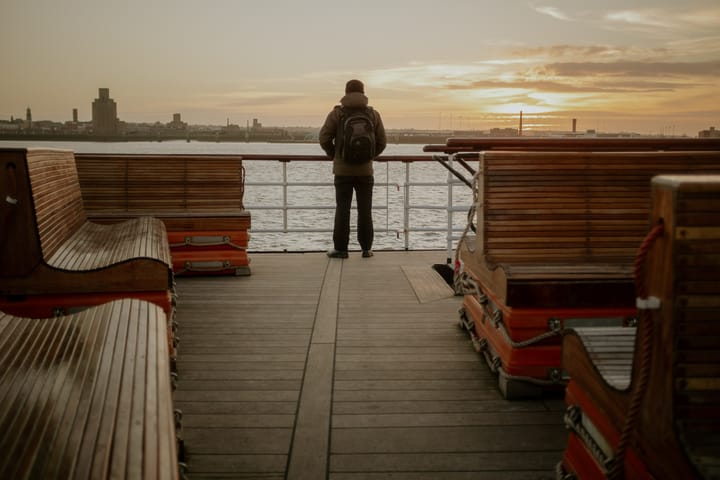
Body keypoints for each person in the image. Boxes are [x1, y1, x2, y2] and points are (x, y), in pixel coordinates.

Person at [319, 79, 387, 259]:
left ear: (346, 93)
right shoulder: (373, 114)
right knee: (365, 210)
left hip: (342, 172)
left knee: (343, 209)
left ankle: (341, 249)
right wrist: (369, 157)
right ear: (363, 93)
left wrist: (335, 154)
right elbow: (382, 142)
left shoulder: (337, 114)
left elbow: (324, 138)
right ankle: (366, 249)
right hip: (366, 172)